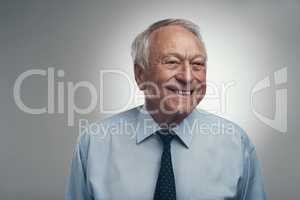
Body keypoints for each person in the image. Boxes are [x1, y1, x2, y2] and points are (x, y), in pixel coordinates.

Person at [65, 18, 267, 200]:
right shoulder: (95, 144)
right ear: (140, 74)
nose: (187, 77)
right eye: (172, 62)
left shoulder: (236, 144)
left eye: (197, 64)